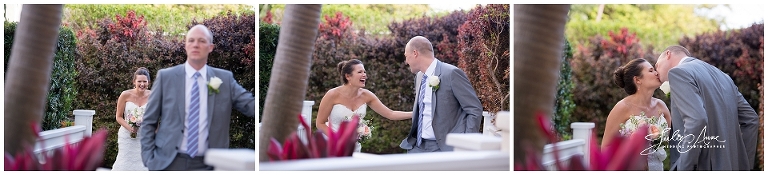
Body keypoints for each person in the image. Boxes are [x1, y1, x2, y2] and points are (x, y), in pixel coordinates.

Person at [139, 24, 255, 171]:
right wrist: (149, 158)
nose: (195, 44)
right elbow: (149, 121)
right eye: (191, 40)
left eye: (201, 40)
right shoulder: (166, 77)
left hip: (210, 164)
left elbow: (251, 105)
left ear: (210, 47)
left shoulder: (224, 79)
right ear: (185, 45)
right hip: (169, 162)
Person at [654, 45, 758, 170]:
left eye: (657, 66)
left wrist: (684, 168)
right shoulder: (724, 77)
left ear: (668, 54)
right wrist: (743, 164)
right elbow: (751, 119)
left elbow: (697, 120)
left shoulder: (678, 73)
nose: (656, 72)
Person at [399, 36, 483, 153]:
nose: (406, 61)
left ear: (415, 53)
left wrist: (466, 143)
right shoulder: (419, 77)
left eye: (406, 56)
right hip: (417, 147)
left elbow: (474, 109)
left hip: (443, 148)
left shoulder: (451, 74)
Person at [315, 59, 413, 152]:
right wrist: (337, 138)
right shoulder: (332, 95)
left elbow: (390, 114)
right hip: (331, 144)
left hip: (354, 148)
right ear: (348, 76)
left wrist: (415, 113)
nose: (364, 75)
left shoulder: (367, 95)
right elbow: (320, 123)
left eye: (365, 72)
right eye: (360, 72)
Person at [602, 58, 671, 171]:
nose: (656, 73)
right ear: (638, 80)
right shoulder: (622, 108)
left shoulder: (661, 106)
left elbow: (674, 139)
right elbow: (606, 148)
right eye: (651, 70)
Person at [112, 67, 152, 171]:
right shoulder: (125, 95)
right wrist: (130, 128)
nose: (142, 84)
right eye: (139, 81)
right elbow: (119, 117)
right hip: (127, 136)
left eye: (145, 81)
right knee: (124, 163)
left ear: (149, 82)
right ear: (134, 82)